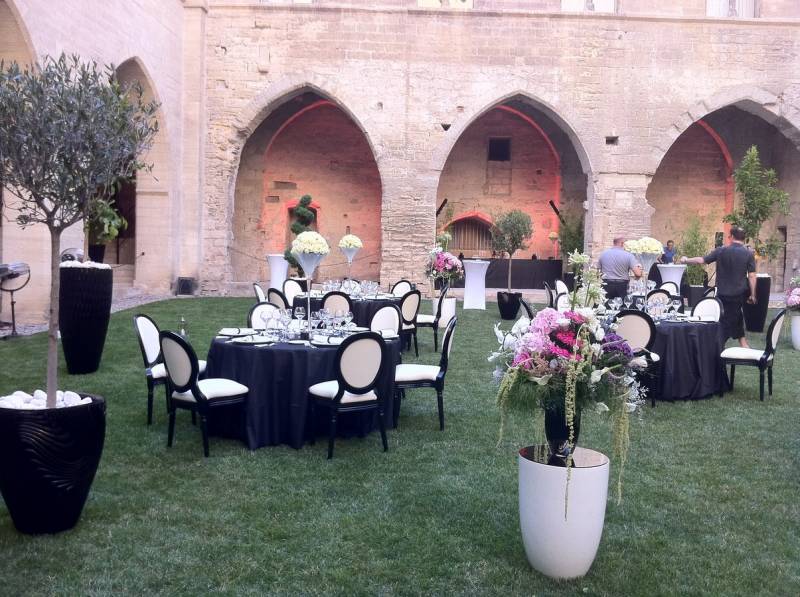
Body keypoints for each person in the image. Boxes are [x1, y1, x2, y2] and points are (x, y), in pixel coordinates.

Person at [681, 226, 756, 348]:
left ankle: (725, 345)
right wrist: (753, 294)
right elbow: (752, 276)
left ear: (731, 237)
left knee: (729, 319)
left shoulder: (720, 250)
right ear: (744, 238)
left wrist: (686, 260)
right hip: (739, 294)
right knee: (732, 318)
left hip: (722, 294)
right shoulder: (748, 254)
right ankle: (730, 345)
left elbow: (702, 260)